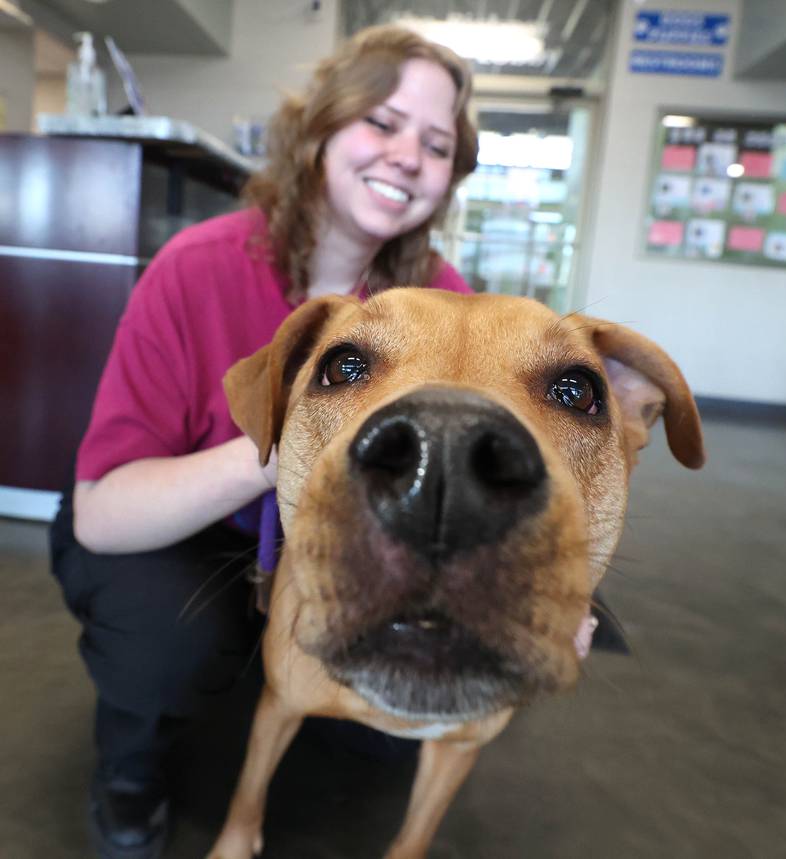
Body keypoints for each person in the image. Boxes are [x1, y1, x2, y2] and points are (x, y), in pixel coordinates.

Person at [49, 24, 479, 859]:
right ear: (322, 127)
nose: (407, 156)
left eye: (436, 144)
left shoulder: (443, 299)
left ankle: (271, 663)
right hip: (175, 530)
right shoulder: (197, 266)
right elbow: (103, 514)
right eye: (383, 123)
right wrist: (285, 448)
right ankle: (130, 770)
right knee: (171, 644)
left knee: (384, 737)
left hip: (330, 548)